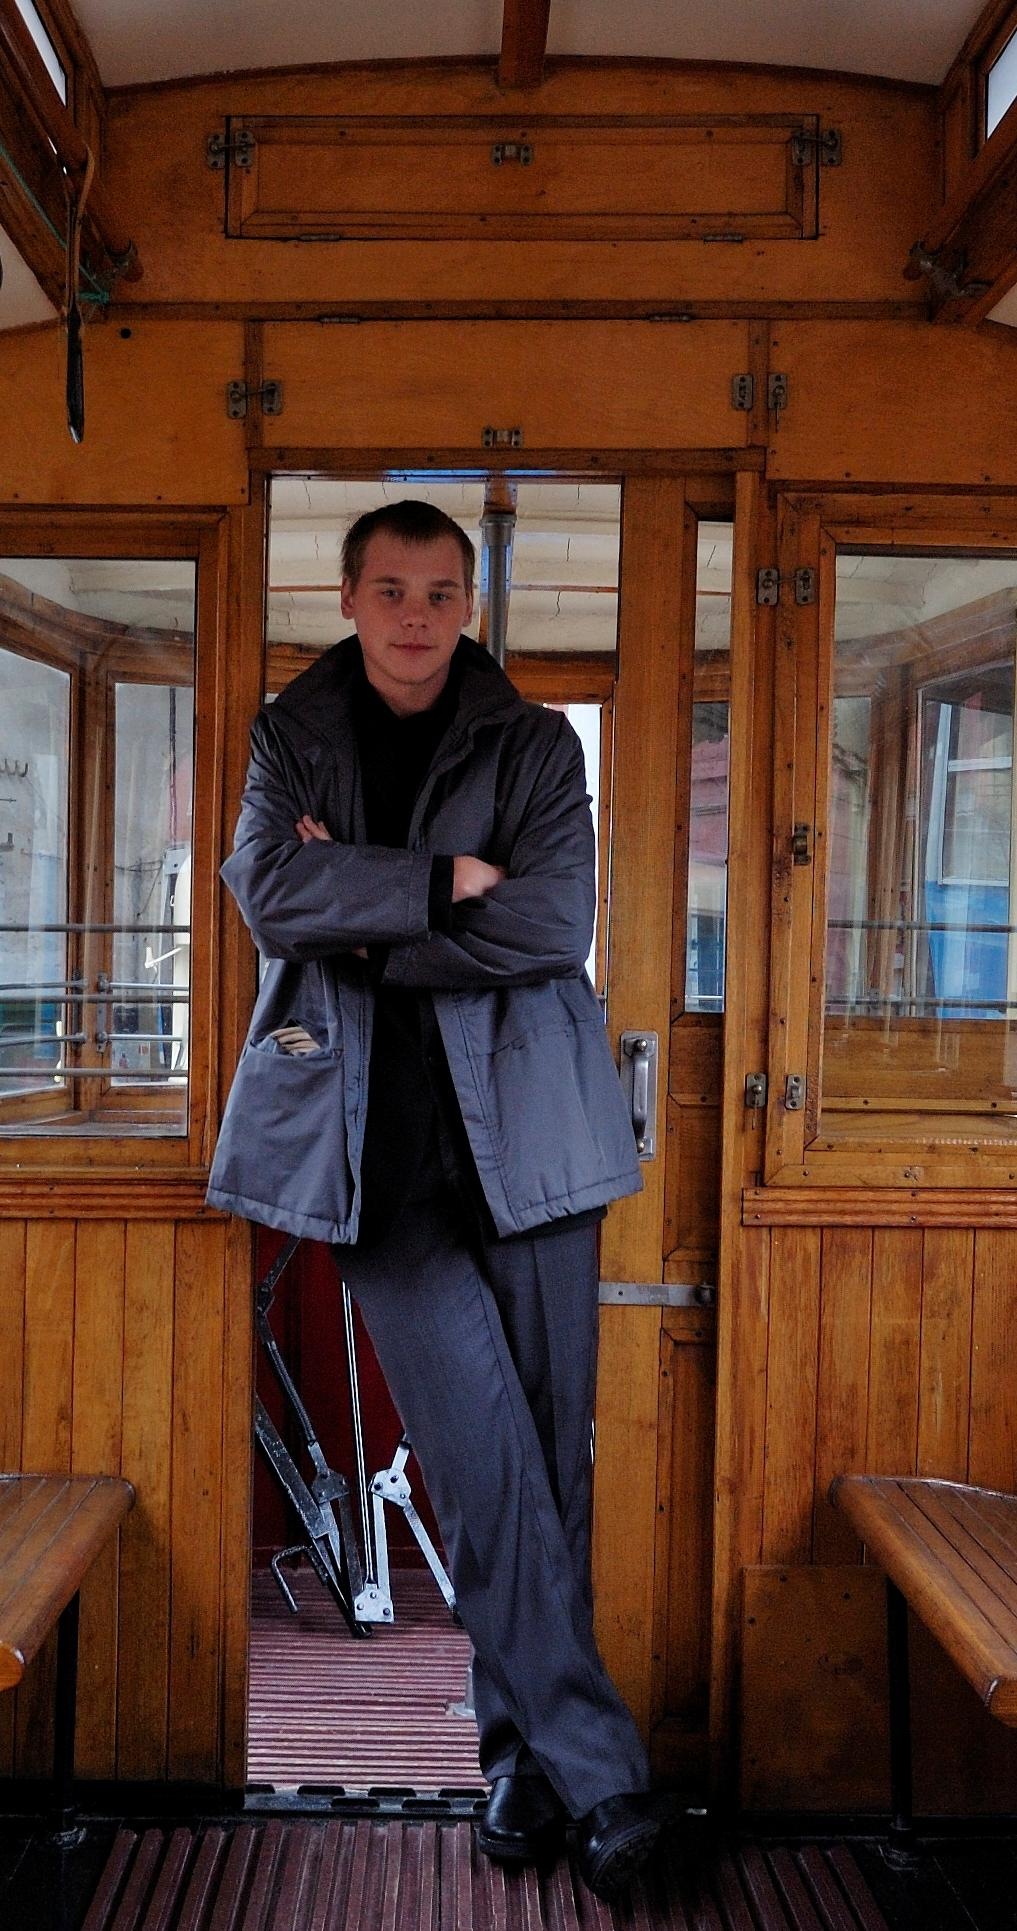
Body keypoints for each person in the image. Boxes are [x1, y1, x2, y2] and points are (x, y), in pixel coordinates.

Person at [207, 498, 662, 1898]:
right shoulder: (290, 736)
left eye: (441, 592)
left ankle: (517, 1767)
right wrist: (440, 883)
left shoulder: (533, 745)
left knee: (546, 1470)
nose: (416, 615)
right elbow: (268, 894)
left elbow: (553, 922)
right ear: (348, 599)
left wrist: (370, 919)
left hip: (537, 1149)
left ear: (469, 607)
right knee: (479, 1464)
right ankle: (606, 1779)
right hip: (372, 1168)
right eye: (392, 589)